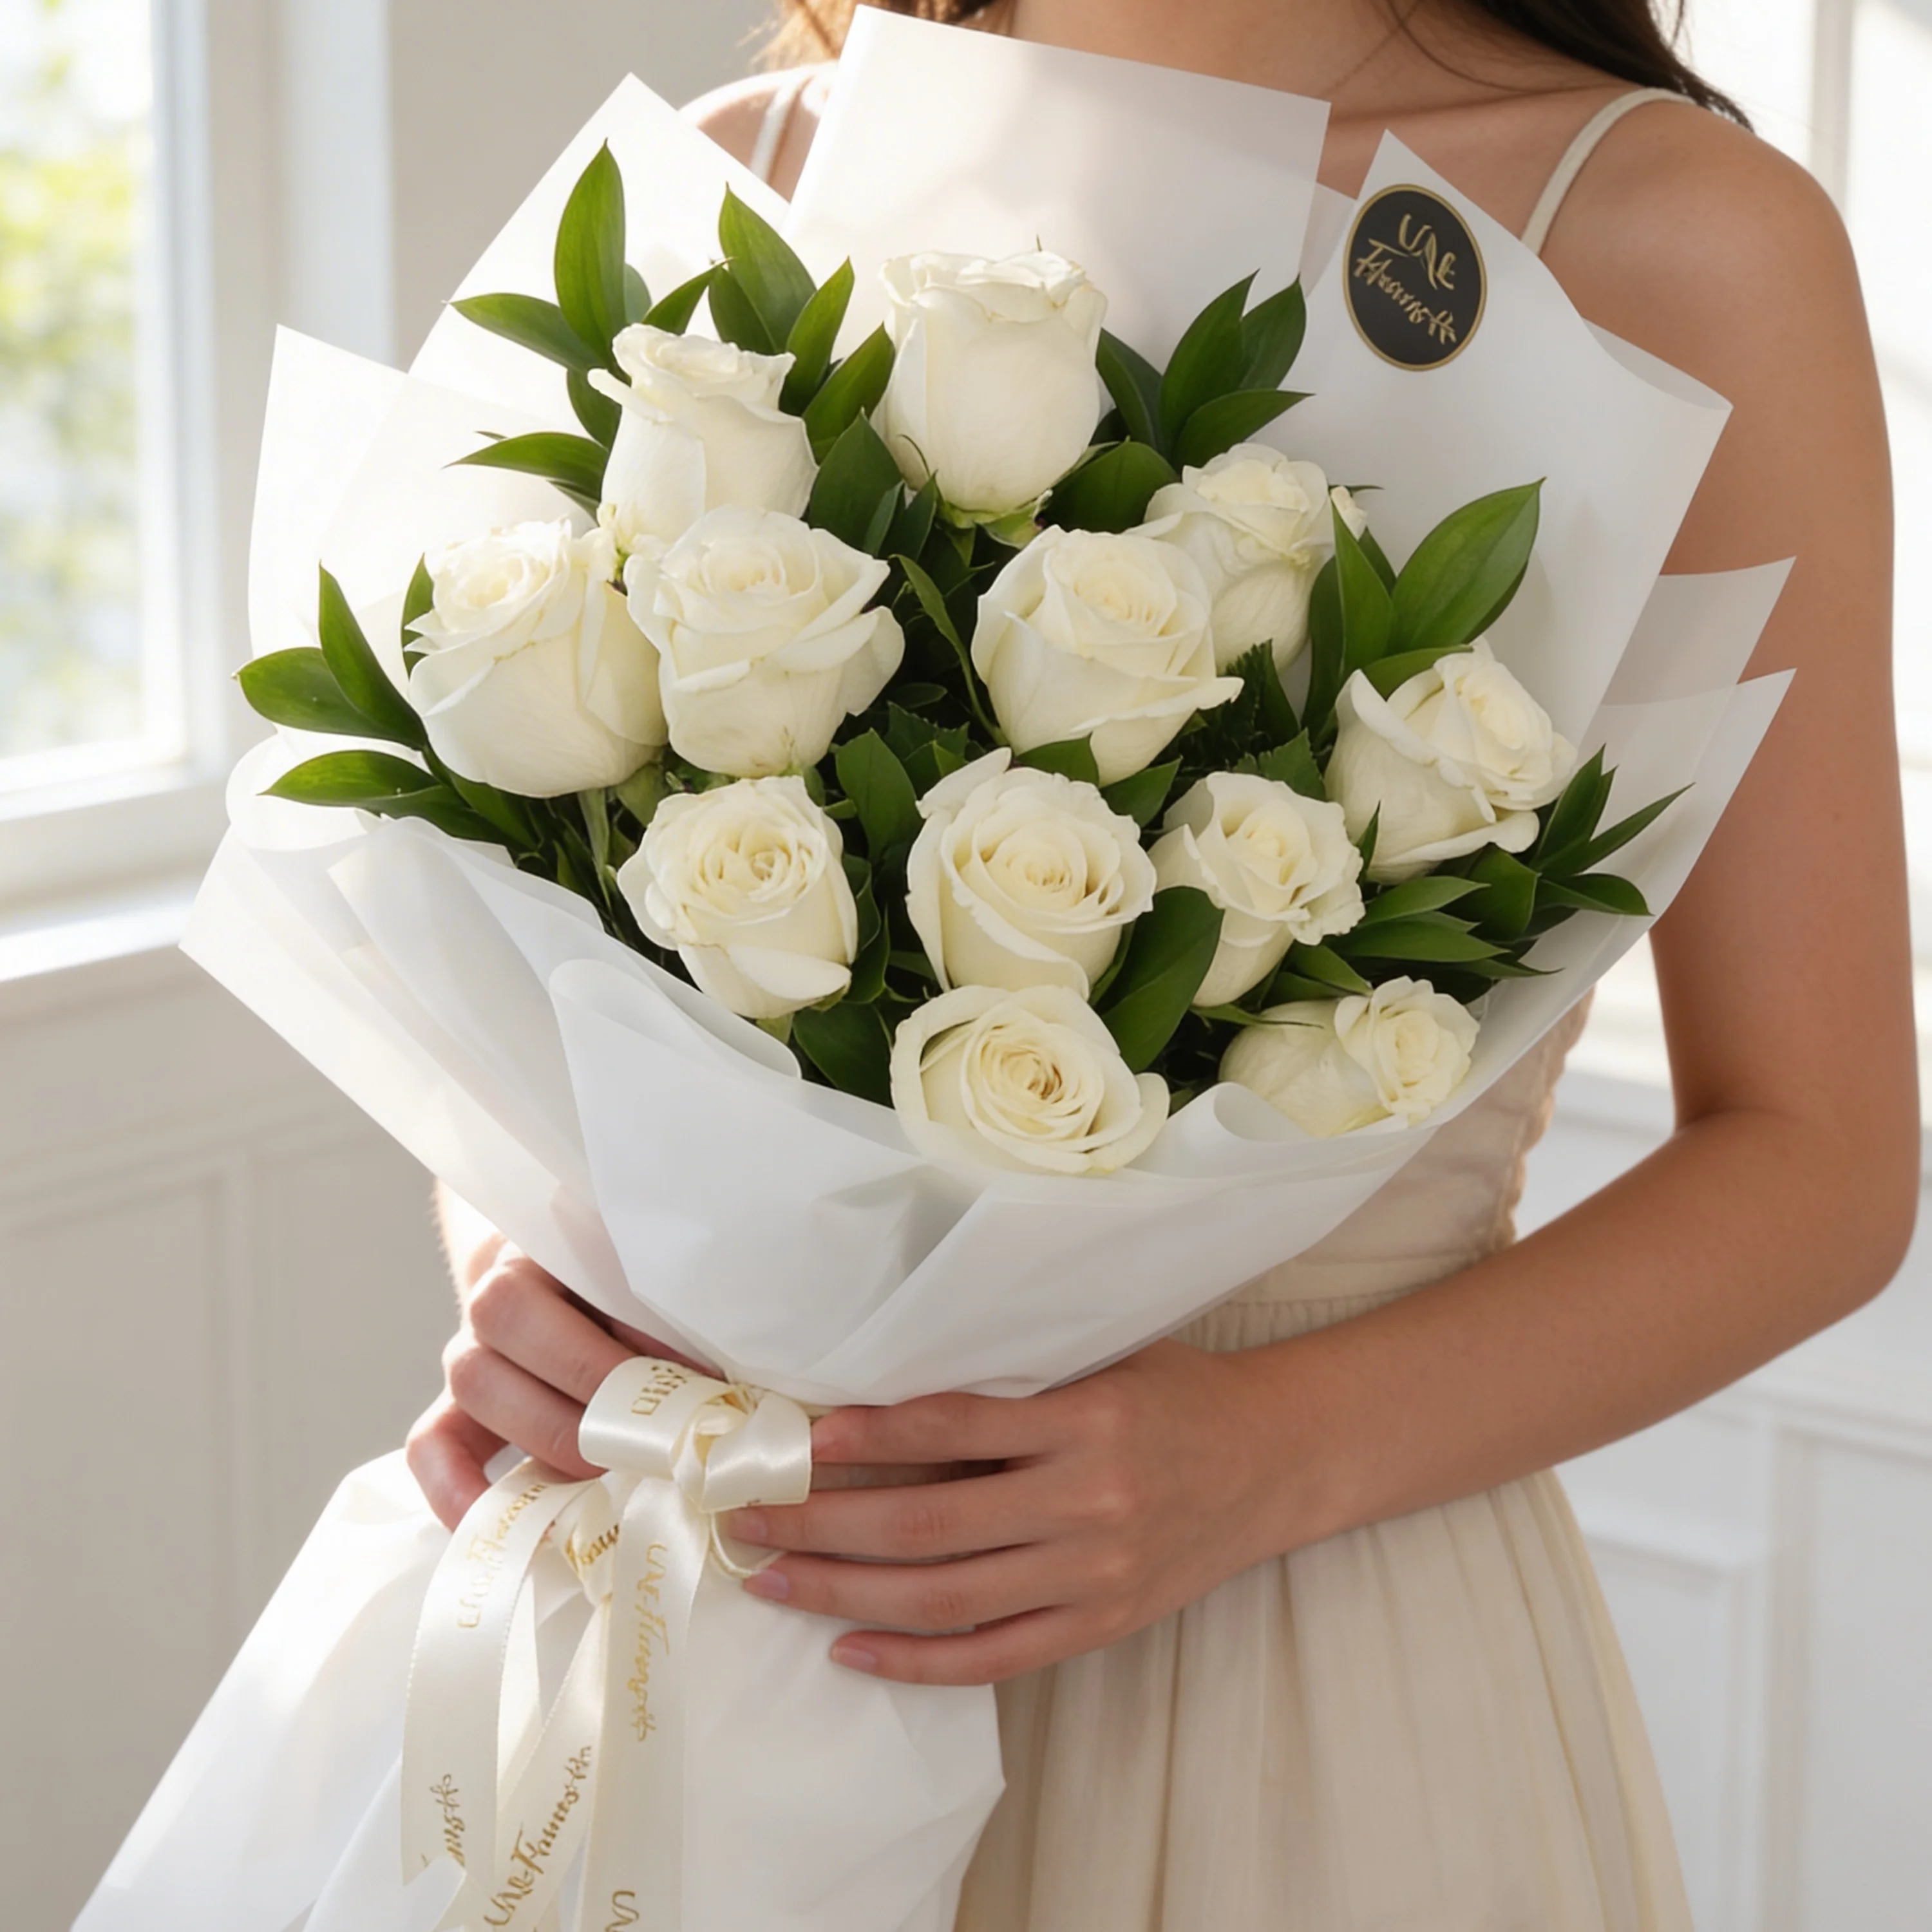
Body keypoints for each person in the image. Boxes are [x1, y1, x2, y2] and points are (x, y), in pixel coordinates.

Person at [408, 1, 1916, 1922]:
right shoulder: (741, 171)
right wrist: (524, 1274)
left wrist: (1267, 1457)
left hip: (1308, 1653)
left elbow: (1819, 1164)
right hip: (732, 1594)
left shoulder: (1677, 241)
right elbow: (506, 922)